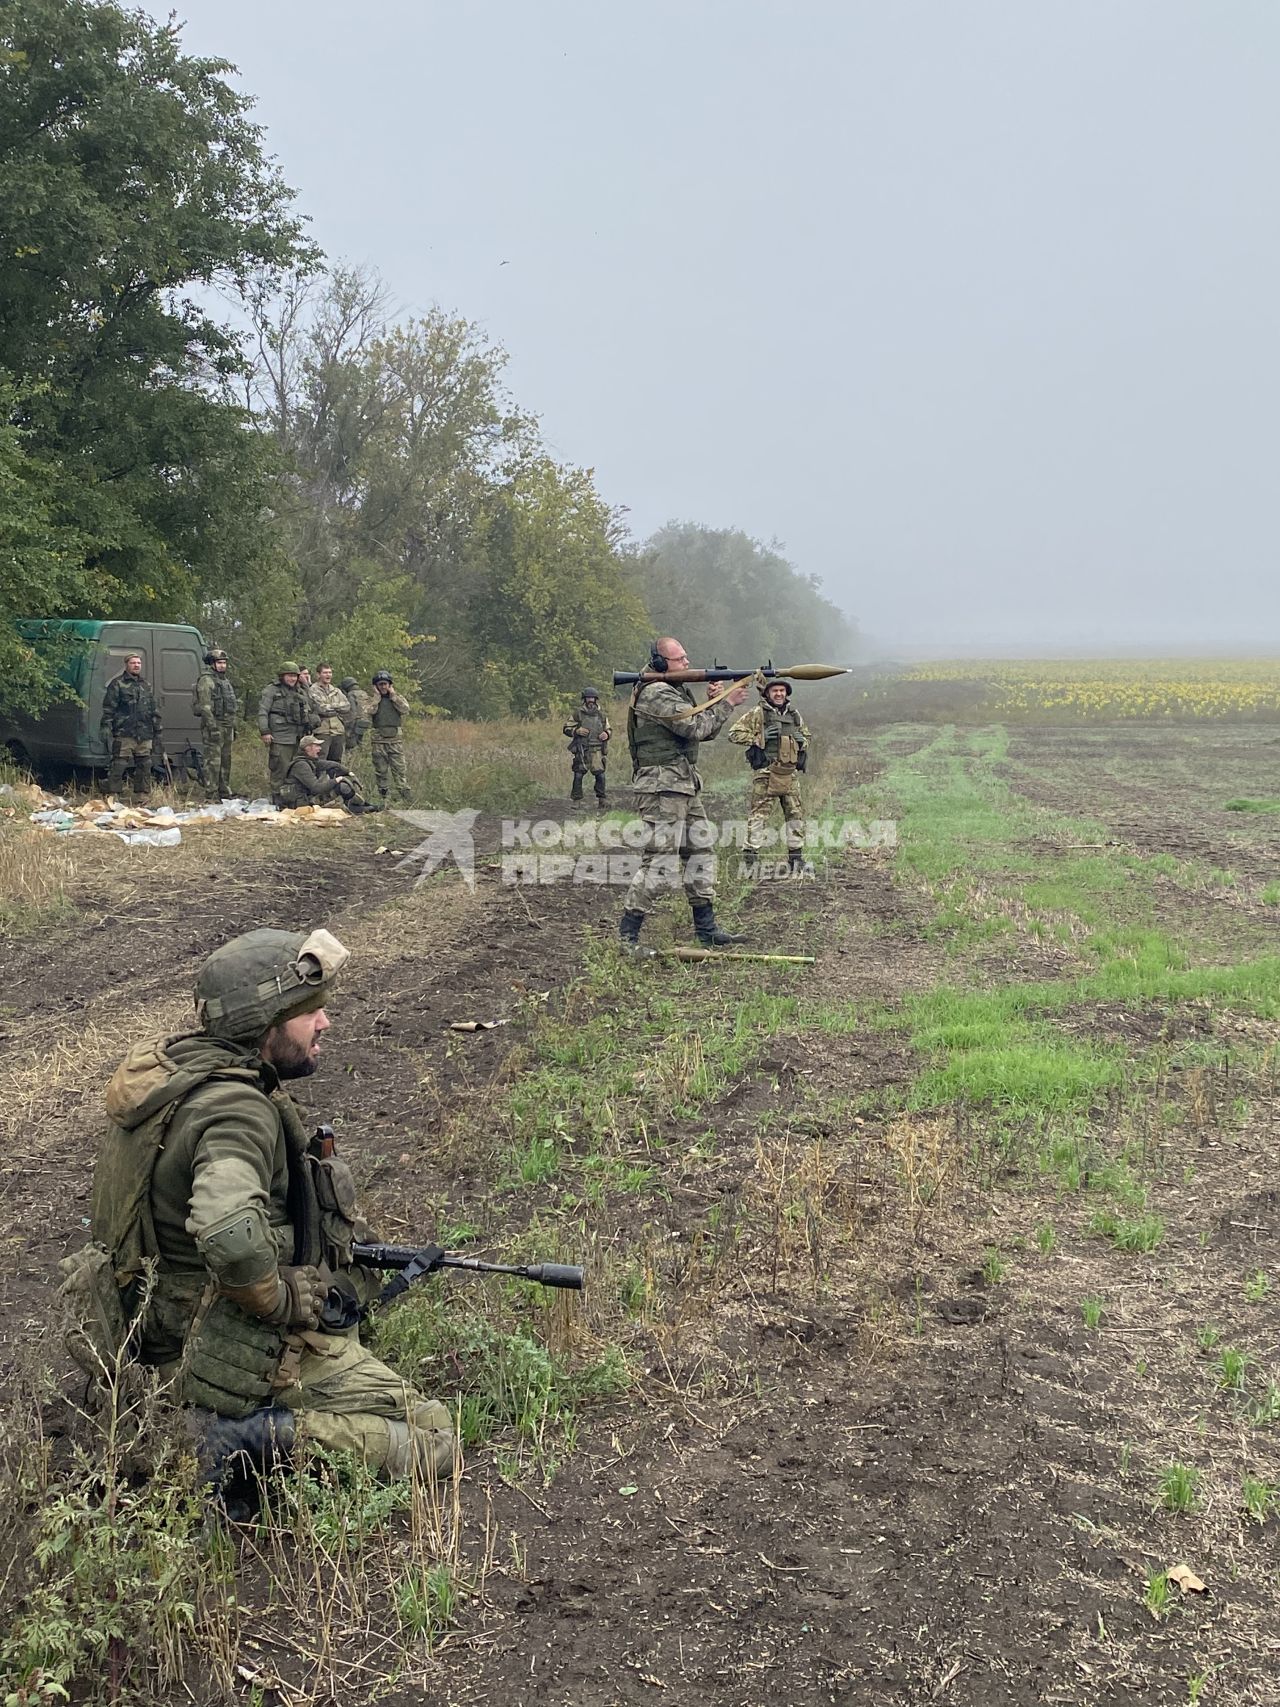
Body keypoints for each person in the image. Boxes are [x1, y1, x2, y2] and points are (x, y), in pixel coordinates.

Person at [87, 927, 454, 1497]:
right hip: (214, 1341)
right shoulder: (237, 1111)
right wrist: (278, 1298)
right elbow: (230, 1233)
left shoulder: (174, 1079)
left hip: (153, 1328)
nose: (324, 1024)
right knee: (433, 1436)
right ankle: (243, 1439)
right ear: (266, 1023)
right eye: (309, 1012)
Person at [619, 638, 750, 954]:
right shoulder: (656, 693)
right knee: (659, 861)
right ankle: (627, 939)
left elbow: (706, 730)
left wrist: (716, 702)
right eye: (679, 659)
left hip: (682, 784)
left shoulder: (674, 689)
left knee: (700, 853)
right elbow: (695, 728)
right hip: (663, 787)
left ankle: (707, 931)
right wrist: (726, 703)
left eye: (686, 657)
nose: (687, 663)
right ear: (661, 663)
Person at [729, 679, 811, 874]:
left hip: (789, 773)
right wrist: (759, 738)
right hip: (766, 773)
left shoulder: (794, 714)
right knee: (758, 818)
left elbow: (806, 735)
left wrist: (802, 742)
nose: (779, 694)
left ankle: (796, 859)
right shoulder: (758, 713)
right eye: (775, 691)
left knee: (795, 815)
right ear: (767, 693)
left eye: (782, 691)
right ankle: (750, 861)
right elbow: (734, 733)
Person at [100, 653, 162, 799]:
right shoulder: (117, 684)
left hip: (144, 732)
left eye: (139, 663)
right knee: (119, 764)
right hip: (124, 731)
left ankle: (141, 794)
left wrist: (158, 729)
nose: (136, 665)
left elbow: (154, 709)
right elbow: (109, 708)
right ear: (127, 665)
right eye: (133, 663)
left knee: (145, 763)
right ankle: (113, 793)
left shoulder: (146, 685)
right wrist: (106, 726)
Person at [279, 733, 380, 813]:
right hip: (301, 804)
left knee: (341, 784)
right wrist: (338, 780)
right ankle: (359, 808)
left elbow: (333, 765)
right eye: (317, 746)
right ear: (308, 748)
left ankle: (364, 806)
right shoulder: (301, 765)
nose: (320, 748)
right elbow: (316, 788)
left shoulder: (309, 761)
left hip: (306, 799)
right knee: (341, 786)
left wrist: (349, 773)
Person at [257, 663, 319, 794]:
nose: (292, 679)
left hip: (298, 737)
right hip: (281, 737)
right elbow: (263, 711)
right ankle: (277, 799)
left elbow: (312, 707)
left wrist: (306, 686)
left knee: (298, 769)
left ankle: (293, 799)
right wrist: (265, 731)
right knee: (280, 769)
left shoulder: (300, 691)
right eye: (289, 676)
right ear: (282, 676)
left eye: (295, 676)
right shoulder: (272, 690)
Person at [194, 648, 238, 800]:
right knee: (213, 762)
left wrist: (234, 726)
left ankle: (224, 790)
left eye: (224, 663)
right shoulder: (206, 680)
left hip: (227, 726)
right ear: (212, 664)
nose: (222, 665)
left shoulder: (224, 681)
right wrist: (212, 727)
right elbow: (205, 707)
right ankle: (211, 793)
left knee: (226, 760)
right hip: (215, 725)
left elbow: (231, 706)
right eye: (219, 663)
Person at [563, 688, 611, 809]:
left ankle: (602, 799)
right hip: (582, 749)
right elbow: (566, 728)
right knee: (578, 775)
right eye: (588, 698)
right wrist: (576, 731)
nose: (591, 700)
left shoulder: (602, 715)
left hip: (597, 749)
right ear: (584, 699)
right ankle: (576, 801)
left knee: (600, 775)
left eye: (592, 698)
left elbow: (609, 728)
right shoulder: (578, 713)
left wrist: (607, 734)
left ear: (596, 699)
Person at [369, 670, 411, 804]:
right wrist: (376, 699)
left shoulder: (397, 698)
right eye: (380, 684)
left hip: (395, 741)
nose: (383, 687)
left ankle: (405, 797)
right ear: (376, 686)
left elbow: (405, 709)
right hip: (379, 741)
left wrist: (394, 697)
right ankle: (383, 797)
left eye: (385, 684)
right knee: (381, 771)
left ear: (390, 685)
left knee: (400, 770)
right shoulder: (372, 700)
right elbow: (368, 711)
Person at [307, 665, 350, 764]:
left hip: (338, 730)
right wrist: (338, 707)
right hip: (322, 730)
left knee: (336, 761)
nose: (328, 675)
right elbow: (321, 709)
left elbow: (347, 706)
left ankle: (335, 779)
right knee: (321, 759)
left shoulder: (336, 690)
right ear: (318, 674)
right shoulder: (313, 690)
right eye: (325, 672)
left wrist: (331, 706)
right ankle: (321, 780)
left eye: (330, 672)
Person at [340, 677, 373, 751]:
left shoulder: (351, 694)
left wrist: (347, 725)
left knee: (351, 746)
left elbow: (352, 711)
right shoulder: (364, 693)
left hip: (355, 723)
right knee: (362, 745)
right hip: (366, 722)